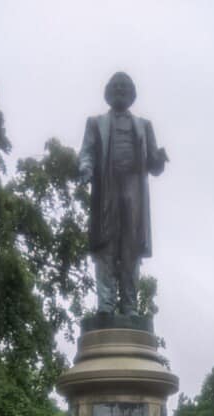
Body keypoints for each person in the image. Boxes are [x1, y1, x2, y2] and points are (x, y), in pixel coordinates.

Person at [78, 72, 168, 317]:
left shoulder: (143, 126)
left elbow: (153, 165)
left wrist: (159, 160)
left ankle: (129, 305)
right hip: (106, 188)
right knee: (105, 246)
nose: (120, 91)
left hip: (133, 191)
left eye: (124, 87)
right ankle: (105, 304)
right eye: (115, 87)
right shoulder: (95, 123)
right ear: (108, 93)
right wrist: (85, 168)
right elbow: (87, 152)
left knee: (130, 248)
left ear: (132, 94)